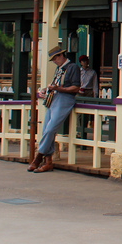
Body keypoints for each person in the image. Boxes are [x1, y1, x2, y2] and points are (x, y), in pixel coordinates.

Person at [28, 45, 81, 174]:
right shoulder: (59, 69)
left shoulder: (72, 67)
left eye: (55, 58)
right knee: (46, 129)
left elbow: (75, 87)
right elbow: (55, 85)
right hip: (53, 99)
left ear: (61, 56)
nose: (54, 61)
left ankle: (38, 157)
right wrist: (46, 89)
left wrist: (59, 89)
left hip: (65, 99)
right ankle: (48, 162)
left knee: (51, 128)